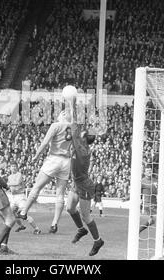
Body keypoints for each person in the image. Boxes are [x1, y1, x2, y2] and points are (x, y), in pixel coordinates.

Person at [17, 109, 73, 234]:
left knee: (37, 187)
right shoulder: (72, 127)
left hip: (54, 158)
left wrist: (36, 156)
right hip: (66, 161)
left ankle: (23, 212)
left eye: (62, 112)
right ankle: (54, 224)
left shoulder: (56, 126)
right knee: (60, 194)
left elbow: (45, 143)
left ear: (63, 115)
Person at [66, 99, 104, 256]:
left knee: (85, 215)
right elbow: (73, 132)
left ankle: (98, 240)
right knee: (69, 208)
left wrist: (71, 104)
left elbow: (74, 125)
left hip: (85, 186)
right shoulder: (82, 144)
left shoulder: (81, 147)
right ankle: (81, 230)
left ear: (84, 136)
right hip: (77, 182)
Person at [6, 161, 41, 234]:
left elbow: (17, 183)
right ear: (10, 168)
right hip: (13, 197)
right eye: (12, 166)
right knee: (11, 214)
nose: (13, 168)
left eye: (15, 166)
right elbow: (11, 187)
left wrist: (8, 184)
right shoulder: (9, 177)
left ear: (17, 168)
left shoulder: (19, 174)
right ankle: (21, 226)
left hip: (20, 197)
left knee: (24, 214)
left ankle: (36, 229)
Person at [139, 166, 157, 233]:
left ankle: (137, 232)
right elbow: (137, 192)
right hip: (147, 205)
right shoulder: (142, 181)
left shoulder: (155, 180)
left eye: (150, 170)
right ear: (144, 173)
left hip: (155, 204)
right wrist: (127, 198)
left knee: (151, 221)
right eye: (147, 171)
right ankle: (162, 237)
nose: (149, 172)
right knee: (156, 220)